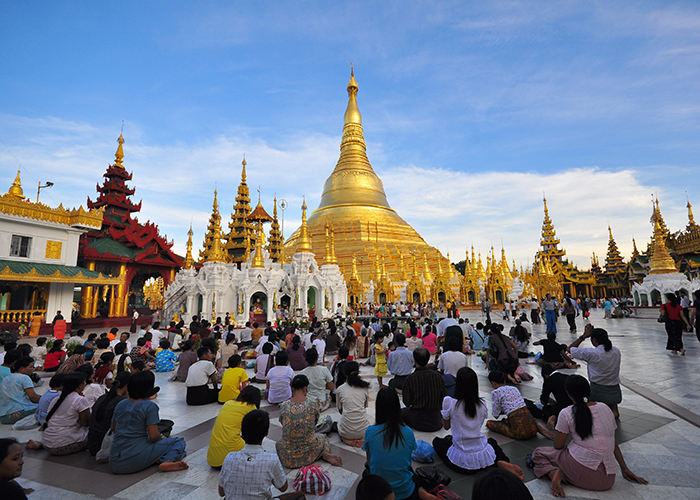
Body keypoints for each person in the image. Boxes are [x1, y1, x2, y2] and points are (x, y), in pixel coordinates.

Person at [531, 375, 647, 497]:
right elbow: (612, 442)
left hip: (581, 473)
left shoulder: (567, 412)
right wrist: (624, 469)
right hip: (607, 480)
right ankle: (564, 472)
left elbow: (558, 445)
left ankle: (555, 473)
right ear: (588, 391)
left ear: (568, 394)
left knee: (539, 453)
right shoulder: (605, 408)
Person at [432, 367, 523, 478]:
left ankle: (496, 462)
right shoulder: (482, 403)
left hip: (461, 464)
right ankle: (501, 461)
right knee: (491, 441)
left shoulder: (449, 402)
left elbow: (446, 427)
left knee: (437, 442)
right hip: (483, 456)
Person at [109, 370, 188, 473]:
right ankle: (168, 460)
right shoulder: (150, 406)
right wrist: (161, 437)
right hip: (133, 460)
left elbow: (113, 428)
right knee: (178, 442)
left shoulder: (121, 404)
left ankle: (158, 457)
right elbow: (154, 436)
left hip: (115, 460)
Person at [363, 387, 431, 500]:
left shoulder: (370, 432)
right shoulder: (408, 432)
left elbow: (370, 462)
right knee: (412, 474)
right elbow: (407, 462)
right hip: (405, 491)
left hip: (382, 493)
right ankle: (421, 491)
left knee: (366, 473)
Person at [218, 409, 288, 499]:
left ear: (242, 432)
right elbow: (283, 487)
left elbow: (221, 492)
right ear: (266, 433)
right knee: (298, 496)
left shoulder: (229, 458)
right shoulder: (271, 460)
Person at [276, 375, 342, 468]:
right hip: (310, 451)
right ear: (306, 389)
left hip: (288, 458)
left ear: (292, 389)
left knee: (279, 443)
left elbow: (283, 423)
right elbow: (314, 424)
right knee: (323, 438)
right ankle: (324, 454)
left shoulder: (283, 406)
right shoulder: (313, 403)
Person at [568, 325, 622, 418]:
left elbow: (570, 349)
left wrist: (583, 336)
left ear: (594, 340)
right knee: (612, 405)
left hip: (598, 388)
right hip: (614, 387)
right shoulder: (616, 350)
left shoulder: (592, 353)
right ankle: (614, 410)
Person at [30, 372, 90, 455]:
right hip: (62, 446)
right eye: (84, 382)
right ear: (80, 386)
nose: (86, 383)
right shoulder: (80, 400)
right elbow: (85, 424)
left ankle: (40, 444)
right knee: (97, 434)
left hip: (47, 443)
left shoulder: (56, 399)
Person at [207, 385, 261, 467]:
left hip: (213, 460)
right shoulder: (251, 407)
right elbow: (254, 435)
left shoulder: (227, 403)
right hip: (233, 459)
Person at [402, 348, 447, 432]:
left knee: (401, 412)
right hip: (436, 420)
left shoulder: (410, 379)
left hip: (417, 420)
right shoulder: (437, 376)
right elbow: (444, 397)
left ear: (414, 360)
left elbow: (407, 402)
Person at [87, 371, 131, 456]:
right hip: (105, 447)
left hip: (93, 445)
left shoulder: (102, 398)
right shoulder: (122, 402)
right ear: (127, 386)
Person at [486, 371, 537, 440]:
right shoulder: (514, 388)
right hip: (533, 429)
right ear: (504, 381)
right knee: (513, 419)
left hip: (521, 434)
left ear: (493, 383)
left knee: (489, 423)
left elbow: (496, 415)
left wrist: (503, 410)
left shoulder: (496, 392)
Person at [336, 361, 371, 447]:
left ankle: (347, 440)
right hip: (363, 430)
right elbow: (364, 407)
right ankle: (361, 440)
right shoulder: (364, 387)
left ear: (344, 373)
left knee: (338, 424)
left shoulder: (340, 389)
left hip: (346, 431)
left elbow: (340, 410)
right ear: (358, 372)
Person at [0, 358, 41, 424]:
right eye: (31, 367)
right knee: (45, 408)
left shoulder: (6, 378)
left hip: (3, 417)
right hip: (17, 413)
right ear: (21, 368)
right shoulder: (24, 378)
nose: (33, 369)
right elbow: (32, 396)